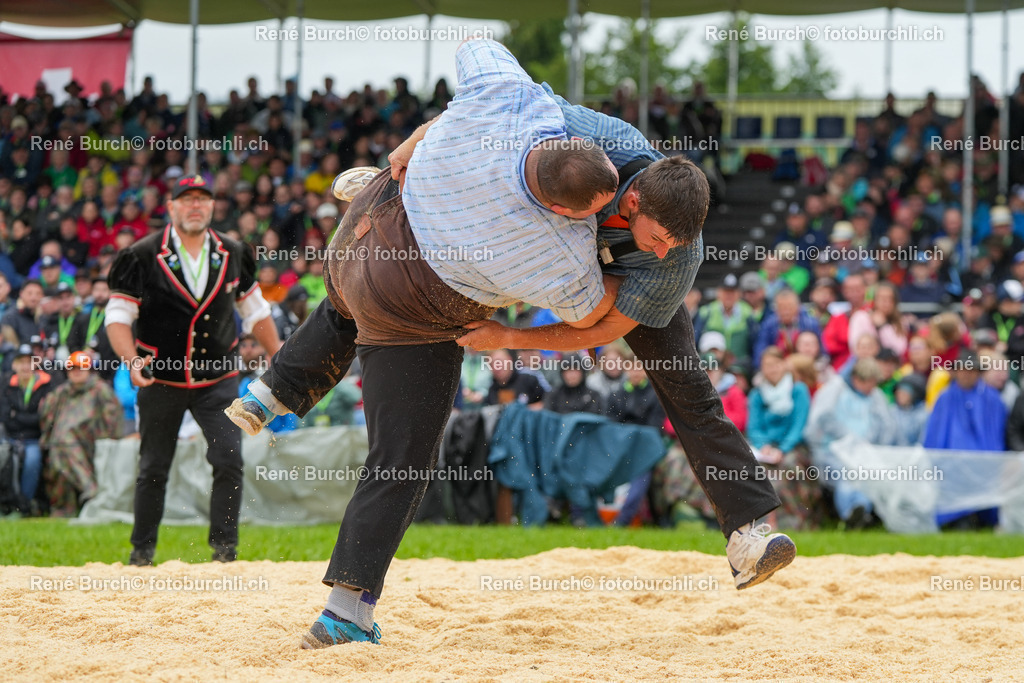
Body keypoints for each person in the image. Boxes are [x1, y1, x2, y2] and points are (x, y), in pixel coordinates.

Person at [228, 40, 791, 649]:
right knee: (384, 284)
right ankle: (407, 197)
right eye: (656, 239)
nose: (664, 252)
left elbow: (600, 329)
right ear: (631, 200)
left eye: (673, 247)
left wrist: (511, 338)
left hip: (610, 294)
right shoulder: (587, 135)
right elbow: (485, 110)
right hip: (522, 253)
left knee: (690, 392)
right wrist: (418, 146)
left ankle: (747, 530)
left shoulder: (670, 259)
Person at [105, 174, 281, 566]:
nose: (196, 206)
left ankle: (224, 552)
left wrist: (278, 355)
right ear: (171, 207)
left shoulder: (233, 251)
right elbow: (117, 316)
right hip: (160, 378)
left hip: (218, 379)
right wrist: (131, 360)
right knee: (153, 466)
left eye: (203, 198)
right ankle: (141, 553)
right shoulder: (140, 254)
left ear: (213, 206)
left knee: (229, 461)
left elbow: (255, 311)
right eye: (187, 199)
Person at [39, 351, 121, 517]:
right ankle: (73, 501)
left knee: (63, 442)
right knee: (59, 447)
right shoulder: (62, 393)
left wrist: (105, 438)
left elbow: (112, 419)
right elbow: (46, 416)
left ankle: (88, 492)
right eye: (72, 369)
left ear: (89, 370)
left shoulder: (100, 390)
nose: (76, 372)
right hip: (63, 444)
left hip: (91, 441)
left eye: (80, 368)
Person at [1, 344, 57, 516]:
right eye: (21, 362)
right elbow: (5, 417)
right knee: (6, 458)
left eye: (29, 362)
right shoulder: (6, 384)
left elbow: (44, 419)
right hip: (10, 437)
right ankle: (8, 503)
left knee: (33, 461)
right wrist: (29, 418)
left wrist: (17, 416)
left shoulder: (47, 384)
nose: (25, 366)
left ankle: (24, 505)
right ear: (14, 365)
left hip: (34, 438)